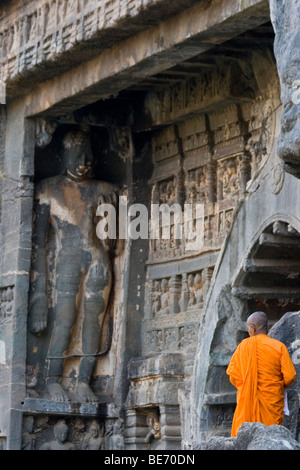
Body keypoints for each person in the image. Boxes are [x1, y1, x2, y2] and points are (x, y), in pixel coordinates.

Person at [28, 129, 118, 403]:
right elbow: (38, 245)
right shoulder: (48, 188)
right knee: (65, 317)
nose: (85, 160)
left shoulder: (105, 190)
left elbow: (113, 244)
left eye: (89, 153)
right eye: (78, 153)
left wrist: (109, 217)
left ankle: (83, 380)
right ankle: (52, 379)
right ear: (63, 155)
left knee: (94, 321)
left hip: (98, 262)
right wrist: (39, 293)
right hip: (65, 263)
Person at [226, 311, 296, 437]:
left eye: (248, 328)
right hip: (272, 401)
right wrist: (276, 385)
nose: (248, 331)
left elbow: (233, 377)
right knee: (270, 437)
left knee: (244, 438)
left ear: (252, 328)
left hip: (246, 403)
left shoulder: (243, 347)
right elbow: (290, 376)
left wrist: (248, 387)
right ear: (266, 328)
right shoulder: (279, 347)